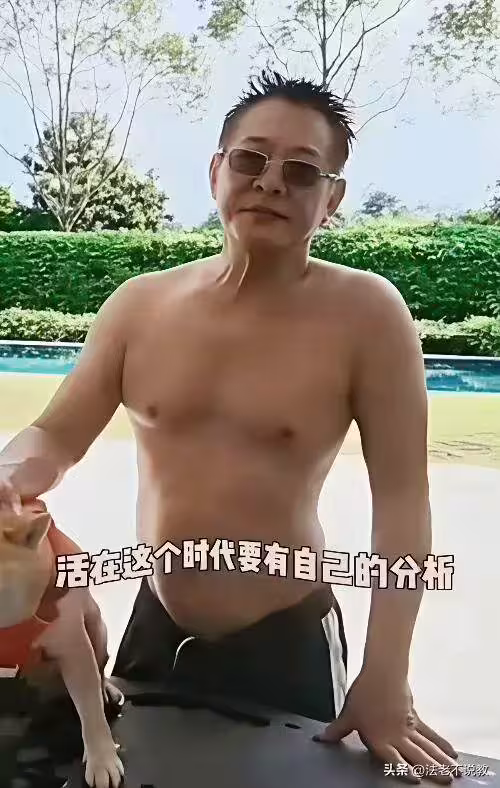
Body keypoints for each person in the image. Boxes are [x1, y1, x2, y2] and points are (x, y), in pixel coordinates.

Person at [0, 69, 460, 783]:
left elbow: (402, 502)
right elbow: (56, 436)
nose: (270, 181)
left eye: (302, 171)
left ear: (332, 199)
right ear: (217, 171)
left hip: (285, 637)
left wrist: (386, 673)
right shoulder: (140, 306)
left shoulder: (367, 315)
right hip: (156, 624)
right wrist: (9, 477)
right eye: (251, 158)